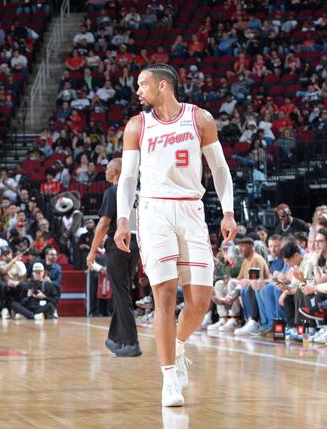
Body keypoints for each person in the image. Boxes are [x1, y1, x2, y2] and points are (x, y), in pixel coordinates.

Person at [114, 63, 237, 407]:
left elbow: (220, 169)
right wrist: (124, 220)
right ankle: (169, 378)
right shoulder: (137, 125)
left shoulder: (200, 119)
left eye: (142, 84)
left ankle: (178, 345)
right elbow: (127, 177)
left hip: (191, 210)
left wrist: (228, 211)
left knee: (199, 301)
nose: (138, 91)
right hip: (153, 211)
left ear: (163, 85)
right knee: (165, 295)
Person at [87, 158, 141, 357]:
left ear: (116, 170)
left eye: (108, 168)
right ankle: (114, 338)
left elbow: (103, 224)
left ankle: (131, 343)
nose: (105, 172)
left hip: (118, 244)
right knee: (123, 292)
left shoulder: (113, 191)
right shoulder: (138, 192)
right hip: (137, 244)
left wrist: (92, 251)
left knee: (121, 293)